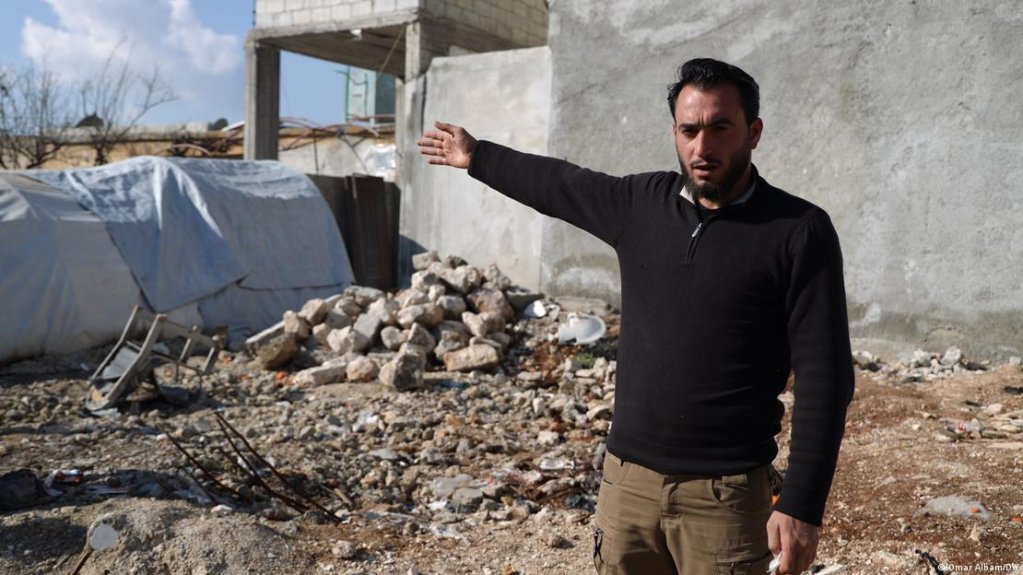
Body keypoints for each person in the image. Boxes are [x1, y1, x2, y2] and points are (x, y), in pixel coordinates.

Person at [418, 58, 854, 575]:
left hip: (726, 500)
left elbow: (825, 375)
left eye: (720, 128)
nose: (702, 147)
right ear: (674, 131)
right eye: (689, 130)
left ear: (753, 132)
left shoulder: (798, 231)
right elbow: (560, 184)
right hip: (625, 488)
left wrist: (802, 503)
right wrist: (478, 156)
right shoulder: (641, 205)